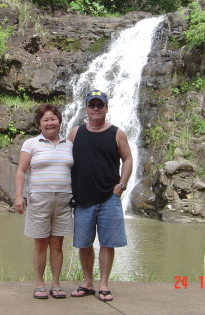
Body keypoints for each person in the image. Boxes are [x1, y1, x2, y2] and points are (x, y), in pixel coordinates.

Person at [67, 90, 132, 302]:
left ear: (106, 107)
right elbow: (63, 160)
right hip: (82, 198)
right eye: (92, 105)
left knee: (107, 243)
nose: (96, 108)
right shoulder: (75, 133)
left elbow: (128, 159)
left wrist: (122, 185)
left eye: (100, 105)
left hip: (109, 198)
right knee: (84, 243)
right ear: (86, 108)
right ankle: (87, 283)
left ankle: (103, 285)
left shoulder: (117, 133)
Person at [14, 103, 74, 300]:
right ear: (39, 124)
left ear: (59, 121)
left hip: (64, 199)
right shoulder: (31, 144)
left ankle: (56, 284)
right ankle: (40, 284)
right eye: (45, 120)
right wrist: (18, 196)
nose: (50, 123)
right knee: (40, 243)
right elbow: (21, 170)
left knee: (57, 243)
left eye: (53, 119)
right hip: (39, 198)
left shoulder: (69, 145)